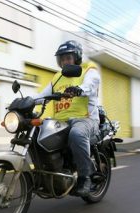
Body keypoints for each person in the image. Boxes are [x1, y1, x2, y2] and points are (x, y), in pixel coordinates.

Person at [34, 40, 100, 196]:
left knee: (77, 134)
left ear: (76, 57)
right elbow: (42, 96)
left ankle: (85, 177)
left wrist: (79, 89)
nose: (64, 61)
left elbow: (91, 85)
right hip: (61, 122)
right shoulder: (57, 77)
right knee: (37, 133)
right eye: (62, 59)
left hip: (85, 119)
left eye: (68, 58)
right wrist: (26, 101)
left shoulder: (88, 70)